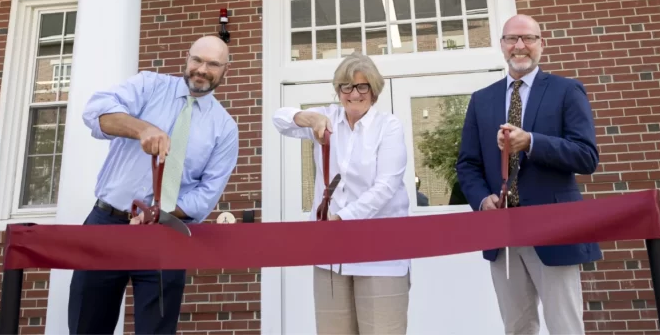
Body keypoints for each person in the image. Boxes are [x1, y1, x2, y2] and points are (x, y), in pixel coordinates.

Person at [68, 35, 239, 335]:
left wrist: (157, 213)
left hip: (166, 234)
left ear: (226, 69)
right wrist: (142, 128)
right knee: (87, 325)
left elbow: (205, 196)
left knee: (156, 331)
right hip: (107, 223)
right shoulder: (149, 85)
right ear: (187, 58)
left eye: (213, 64)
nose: (202, 69)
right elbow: (95, 111)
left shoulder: (225, 128)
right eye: (197, 60)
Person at [456, 14, 601, 335]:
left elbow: (587, 156)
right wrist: (482, 200)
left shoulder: (567, 91)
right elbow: (467, 164)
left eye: (528, 39)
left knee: (565, 326)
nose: (519, 46)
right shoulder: (482, 100)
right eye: (512, 39)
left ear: (541, 45)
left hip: (554, 228)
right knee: (517, 327)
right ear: (502, 46)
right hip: (502, 231)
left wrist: (531, 142)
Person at [273, 52, 411, 335]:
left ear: (374, 90)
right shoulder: (328, 118)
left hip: (379, 252)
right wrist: (307, 117)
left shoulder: (388, 126)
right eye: (346, 86)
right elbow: (279, 120)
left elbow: (386, 186)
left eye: (362, 86)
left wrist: (343, 218)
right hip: (331, 254)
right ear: (338, 91)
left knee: (382, 329)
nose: (354, 93)